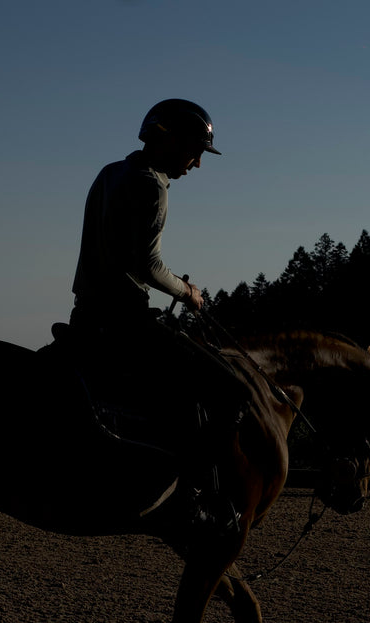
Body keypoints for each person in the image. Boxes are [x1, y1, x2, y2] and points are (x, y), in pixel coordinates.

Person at [68, 98, 249, 535]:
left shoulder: (109, 172)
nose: (197, 165)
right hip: (124, 321)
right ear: (170, 141)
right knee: (229, 390)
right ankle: (196, 500)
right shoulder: (153, 186)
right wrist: (188, 292)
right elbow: (147, 265)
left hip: (86, 314)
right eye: (197, 152)